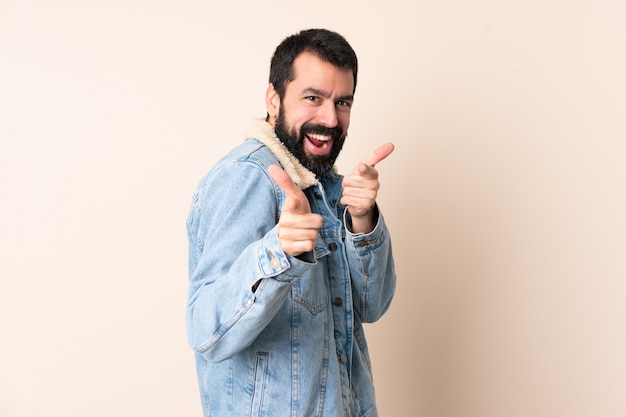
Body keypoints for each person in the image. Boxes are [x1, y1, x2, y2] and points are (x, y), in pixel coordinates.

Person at [186, 28, 396, 417]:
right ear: (274, 98)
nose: (331, 118)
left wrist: (363, 220)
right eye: (313, 98)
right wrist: (277, 253)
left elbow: (372, 306)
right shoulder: (246, 179)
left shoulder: (325, 184)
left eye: (343, 102)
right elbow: (206, 331)